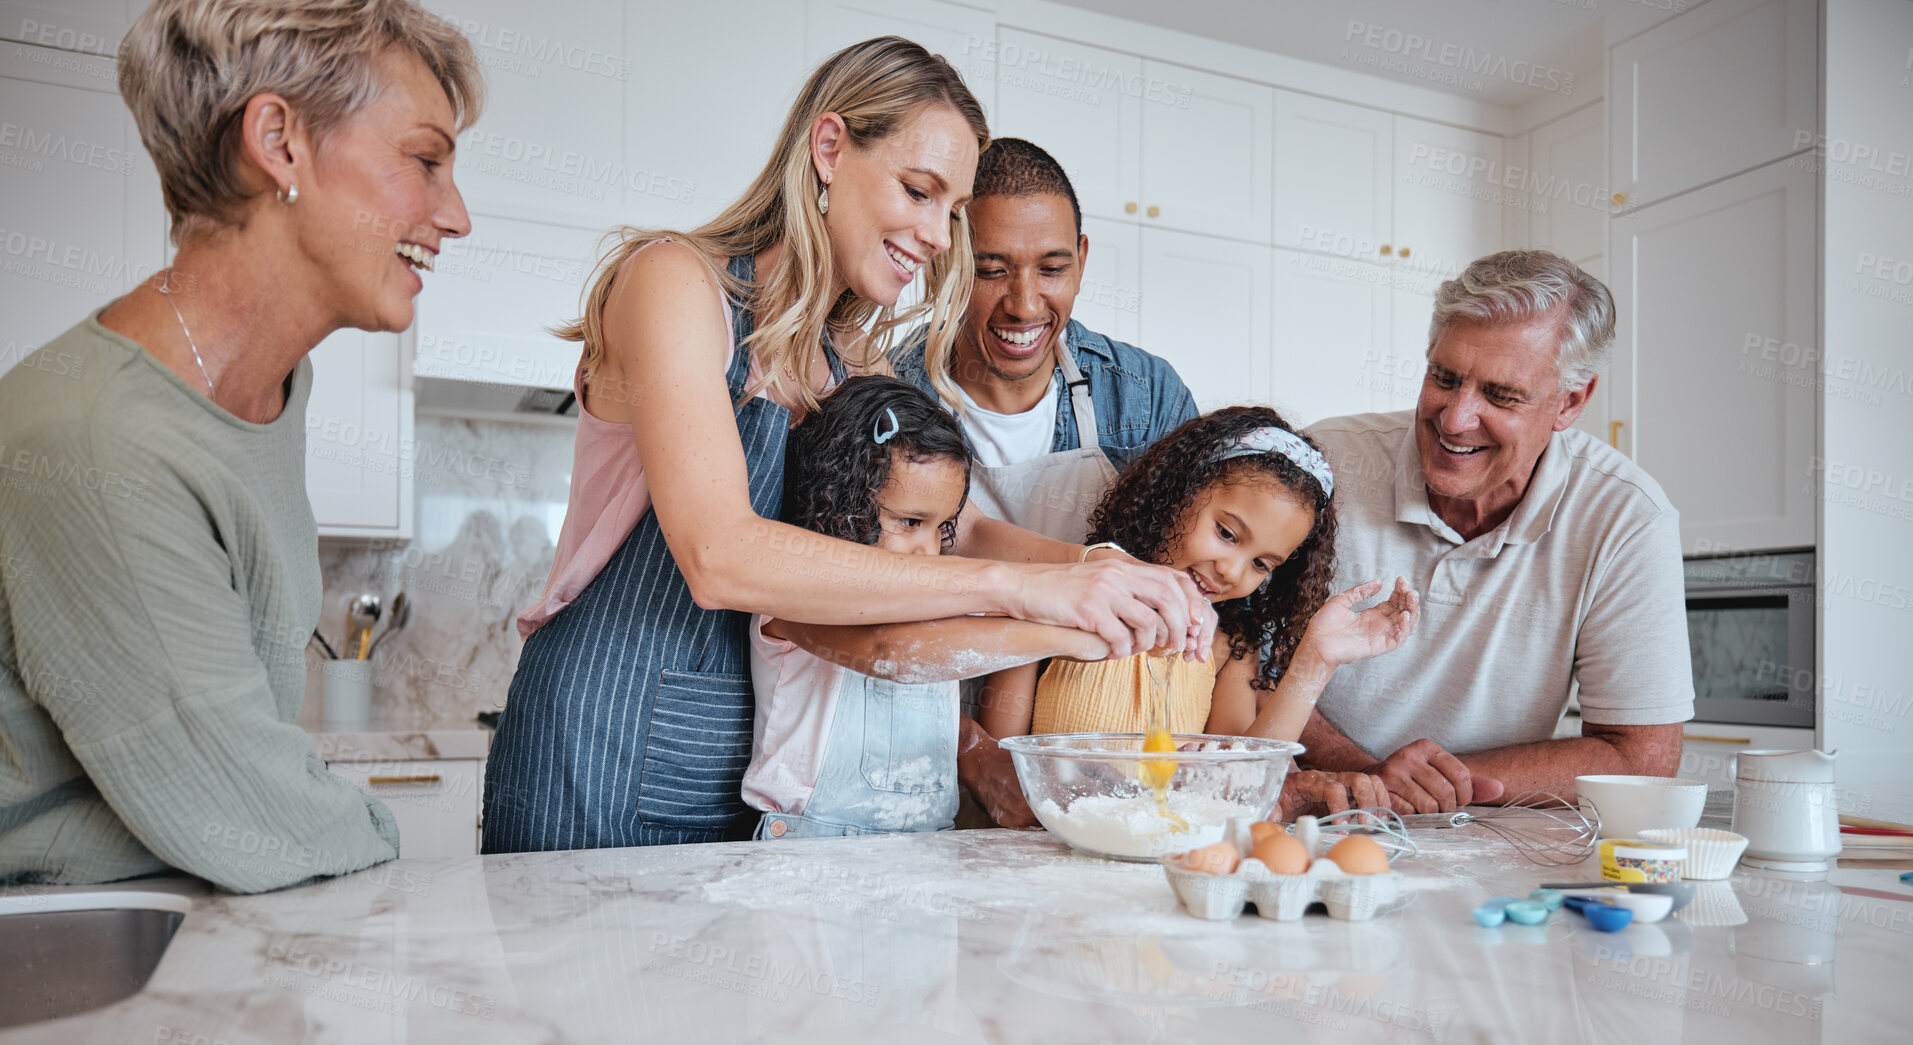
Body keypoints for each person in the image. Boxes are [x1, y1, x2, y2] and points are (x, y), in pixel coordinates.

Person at [483, 38, 1214, 854]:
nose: (939, 235)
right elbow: (718, 553)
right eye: (918, 191)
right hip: (599, 742)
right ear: (828, 149)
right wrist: (1025, 591)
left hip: (743, 767)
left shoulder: (850, 358)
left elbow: (953, 526)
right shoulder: (676, 283)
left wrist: (1100, 569)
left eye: (953, 211)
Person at [0, 0, 483, 891]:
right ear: (279, 140)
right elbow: (244, 808)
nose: (454, 215)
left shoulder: (271, 390)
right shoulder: (102, 439)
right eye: (424, 160)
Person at [1300, 250, 1694, 813]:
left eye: (1501, 395)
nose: (1456, 419)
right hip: (1314, 809)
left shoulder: (1626, 517)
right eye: (1445, 377)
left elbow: (1642, 758)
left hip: (1490, 832)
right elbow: (1232, 661)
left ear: (1570, 402)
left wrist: (1424, 788)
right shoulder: (1325, 463)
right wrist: (1370, 777)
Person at [890, 137, 1200, 824]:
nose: (1024, 305)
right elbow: (853, 615)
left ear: (1082, 261)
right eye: (991, 270)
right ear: (943, 259)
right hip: (912, 764)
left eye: (1052, 268)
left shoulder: (1144, 398)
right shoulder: (887, 397)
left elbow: (1204, 591)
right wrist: (973, 753)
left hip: (1100, 786)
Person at [979, 406, 1420, 817]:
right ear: (1175, 493)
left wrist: (1317, 659)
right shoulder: (1058, 601)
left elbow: (1243, 785)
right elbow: (1004, 778)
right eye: (1226, 533)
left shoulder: (1230, 650)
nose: (1232, 571)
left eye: (1261, 564)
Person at [744, 377, 1116, 838]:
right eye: (909, 521)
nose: (929, 550)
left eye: (941, 528)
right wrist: (1079, 637)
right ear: (838, 505)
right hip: (811, 844)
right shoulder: (793, 594)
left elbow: (959, 656)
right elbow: (889, 650)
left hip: (929, 846)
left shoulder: (942, 601)